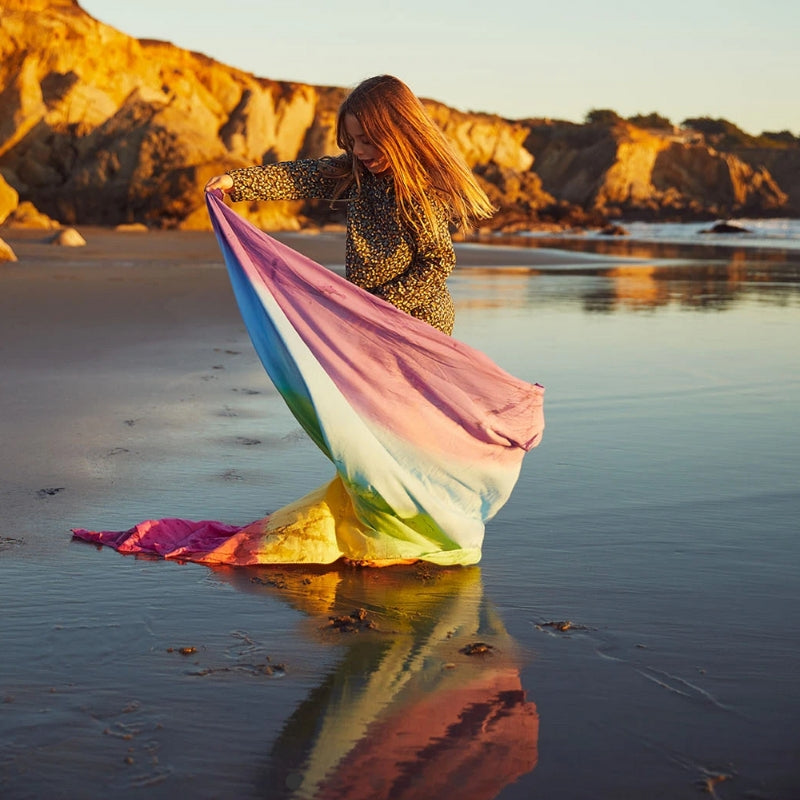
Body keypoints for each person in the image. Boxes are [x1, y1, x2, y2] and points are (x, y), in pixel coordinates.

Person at [204, 74, 495, 335]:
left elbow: (438, 261)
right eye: (353, 141)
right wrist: (237, 181)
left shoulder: (417, 193)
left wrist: (383, 305)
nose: (358, 150)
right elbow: (304, 176)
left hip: (418, 322)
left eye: (366, 141)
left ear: (397, 134)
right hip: (371, 315)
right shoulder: (359, 172)